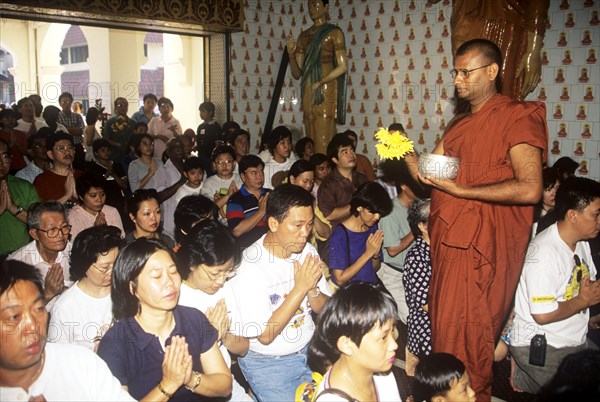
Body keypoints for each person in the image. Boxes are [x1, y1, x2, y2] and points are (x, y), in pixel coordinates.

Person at [404, 38, 548, 400]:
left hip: (485, 252)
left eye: (466, 72)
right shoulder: (457, 125)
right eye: (455, 72)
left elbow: (530, 188)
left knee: (473, 338)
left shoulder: (518, 115)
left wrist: (463, 190)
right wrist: (403, 151)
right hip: (450, 248)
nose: (457, 80)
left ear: (492, 71)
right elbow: (429, 174)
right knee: (446, 331)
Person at [229, 183, 331, 401]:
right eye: (297, 225)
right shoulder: (249, 267)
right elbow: (265, 335)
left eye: (310, 224)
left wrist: (312, 290)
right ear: (273, 223)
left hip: (308, 349)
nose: (305, 233)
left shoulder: (306, 251)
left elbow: (324, 307)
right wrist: (300, 288)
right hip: (269, 363)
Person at [97, 238, 232, 401]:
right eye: (157, 276)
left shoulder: (193, 319)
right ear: (132, 288)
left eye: (173, 271)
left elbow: (225, 385)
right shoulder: (115, 343)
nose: (169, 282)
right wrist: (168, 384)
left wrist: (190, 378)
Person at [510, 177, 600, 394]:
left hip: (572, 339)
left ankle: (531, 380)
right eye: (596, 215)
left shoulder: (581, 244)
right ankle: (525, 373)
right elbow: (543, 314)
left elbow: (589, 284)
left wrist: (587, 298)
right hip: (542, 345)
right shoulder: (545, 254)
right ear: (573, 215)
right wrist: (582, 301)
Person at [0, 260, 135, 401]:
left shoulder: (82, 364)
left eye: (39, 308)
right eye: (14, 317)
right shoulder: (66, 306)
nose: (33, 326)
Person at [176, 220, 252, 401]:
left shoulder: (223, 289)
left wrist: (223, 335)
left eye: (227, 273)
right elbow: (177, 369)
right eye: (215, 274)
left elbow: (243, 348)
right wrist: (208, 337)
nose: (220, 281)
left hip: (226, 382)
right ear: (192, 263)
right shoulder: (175, 298)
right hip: (194, 389)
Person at [430, 0, 550, 101]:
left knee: (500, 97)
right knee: (467, 97)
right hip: (462, 23)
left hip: (502, 20)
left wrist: (533, 50)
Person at [307, 282, 401, 402]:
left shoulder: (382, 372)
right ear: (346, 344)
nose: (394, 345)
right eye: (383, 338)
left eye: (392, 331)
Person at [287, 0, 347, 154]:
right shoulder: (304, 36)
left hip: (326, 86)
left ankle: (325, 169)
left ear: (326, 7)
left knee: (324, 129)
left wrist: (320, 82)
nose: (312, 9)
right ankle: (313, 170)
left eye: (316, 5)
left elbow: (342, 66)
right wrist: (291, 55)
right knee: (310, 126)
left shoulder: (334, 32)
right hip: (307, 85)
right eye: (309, 6)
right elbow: (297, 73)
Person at [48, 225, 121, 351]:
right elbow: (59, 357)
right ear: (84, 265)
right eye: (104, 268)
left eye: (117, 263)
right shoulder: (65, 308)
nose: (113, 271)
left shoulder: (125, 289)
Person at [7, 201, 72, 306]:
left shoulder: (75, 252)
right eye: (52, 230)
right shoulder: (17, 265)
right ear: (35, 234)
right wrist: (47, 294)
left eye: (64, 227)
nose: (60, 235)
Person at [378, 160, 418, 325]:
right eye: (416, 186)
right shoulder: (390, 211)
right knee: (412, 318)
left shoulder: (416, 206)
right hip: (393, 273)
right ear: (404, 186)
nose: (422, 191)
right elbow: (393, 250)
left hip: (412, 271)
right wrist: (417, 229)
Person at [328, 182, 390, 286]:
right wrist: (367, 254)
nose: (377, 217)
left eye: (379, 213)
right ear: (359, 207)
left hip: (370, 288)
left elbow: (374, 269)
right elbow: (340, 279)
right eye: (373, 212)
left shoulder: (372, 227)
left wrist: (375, 256)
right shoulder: (340, 235)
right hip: (352, 295)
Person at [403, 199, 433, 376]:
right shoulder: (417, 258)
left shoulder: (442, 249)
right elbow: (425, 305)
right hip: (426, 324)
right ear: (422, 226)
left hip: (443, 317)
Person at [317, 133, 368, 229]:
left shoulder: (362, 178)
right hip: (341, 235)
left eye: (352, 150)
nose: (351, 155)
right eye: (345, 152)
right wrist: (354, 205)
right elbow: (328, 214)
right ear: (335, 160)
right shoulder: (329, 184)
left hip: (362, 231)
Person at [0, 138, 41, 256]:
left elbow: (40, 221)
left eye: (4, 157)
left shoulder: (24, 186)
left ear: (11, 159)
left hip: (23, 256)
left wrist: (13, 208)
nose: (0, 163)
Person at [226, 154, 270, 249]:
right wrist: (261, 212)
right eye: (254, 173)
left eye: (261, 172)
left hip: (272, 246)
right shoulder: (235, 200)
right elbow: (236, 231)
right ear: (243, 176)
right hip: (248, 250)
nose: (259, 177)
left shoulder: (270, 194)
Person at [67, 172, 124, 239]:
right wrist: (96, 230)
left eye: (102, 194)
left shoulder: (111, 211)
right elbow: (77, 246)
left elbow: (120, 240)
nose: (99, 199)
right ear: (81, 197)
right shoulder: (73, 216)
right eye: (93, 196)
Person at [33, 131, 83, 204]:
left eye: (70, 147)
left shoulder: (83, 176)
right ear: (50, 154)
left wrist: (78, 197)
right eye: (61, 148)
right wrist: (66, 196)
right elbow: (41, 212)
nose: (67, 152)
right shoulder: (42, 180)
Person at [85, 138, 128, 222]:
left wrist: (113, 174)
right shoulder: (93, 168)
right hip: (103, 203)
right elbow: (94, 187)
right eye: (103, 150)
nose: (106, 153)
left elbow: (124, 185)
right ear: (96, 153)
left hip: (119, 201)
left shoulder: (117, 166)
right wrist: (107, 174)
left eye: (108, 150)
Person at [201, 145, 243, 222]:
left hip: (239, 223)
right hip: (218, 226)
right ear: (214, 165)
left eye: (228, 161)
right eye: (220, 162)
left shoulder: (241, 179)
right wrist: (228, 196)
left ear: (234, 164)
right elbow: (206, 211)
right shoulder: (209, 183)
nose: (224, 165)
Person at [57, 92, 86, 169]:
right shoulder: (57, 116)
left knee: (80, 169)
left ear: (71, 102)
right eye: (63, 102)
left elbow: (80, 131)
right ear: (60, 104)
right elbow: (60, 133)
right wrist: (73, 129)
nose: (66, 104)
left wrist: (65, 128)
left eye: (68, 102)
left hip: (77, 146)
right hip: (63, 148)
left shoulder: (77, 116)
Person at [103, 97, 134, 163]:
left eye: (125, 105)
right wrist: (119, 145)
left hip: (131, 156)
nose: (123, 108)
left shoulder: (132, 122)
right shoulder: (110, 122)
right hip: (115, 155)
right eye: (120, 105)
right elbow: (106, 139)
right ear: (115, 108)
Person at [263, 125, 295, 190]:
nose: (287, 146)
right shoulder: (265, 169)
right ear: (274, 146)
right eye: (282, 143)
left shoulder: (294, 165)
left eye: (289, 142)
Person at [196, 101, 222, 175]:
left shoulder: (215, 127)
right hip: (201, 157)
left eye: (203, 111)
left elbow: (218, 146)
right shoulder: (200, 127)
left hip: (210, 159)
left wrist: (215, 160)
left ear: (210, 112)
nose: (201, 114)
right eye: (200, 111)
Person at [532, 167, 560, 236]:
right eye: (548, 189)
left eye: (557, 188)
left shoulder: (563, 214)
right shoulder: (534, 218)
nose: (554, 193)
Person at [0, 108, 28, 172]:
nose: (10, 120)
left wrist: (16, 143)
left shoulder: (21, 134)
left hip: (20, 166)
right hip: (4, 167)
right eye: (7, 118)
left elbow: (26, 153)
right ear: (1, 120)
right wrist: (11, 144)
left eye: (12, 117)